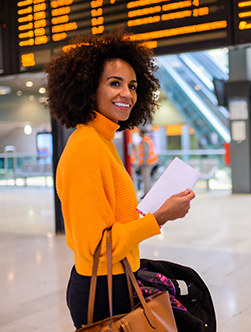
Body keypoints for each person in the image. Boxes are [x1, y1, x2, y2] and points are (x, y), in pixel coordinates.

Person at [44, 26, 195, 329]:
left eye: (133, 85)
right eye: (115, 83)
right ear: (88, 87)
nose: (127, 93)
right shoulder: (86, 147)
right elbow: (98, 246)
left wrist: (147, 211)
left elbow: (111, 219)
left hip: (115, 279)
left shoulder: (102, 140)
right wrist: (159, 217)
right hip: (102, 288)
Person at [138, 127, 159, 196]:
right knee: (147, 178)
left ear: (141, 133)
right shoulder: (148, 140)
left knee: (145, 179)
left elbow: (146, 153)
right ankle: (148, 193)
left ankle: (147, 194)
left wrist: (143, 163)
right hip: (151, 162)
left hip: (147, 163)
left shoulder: (144, 141)